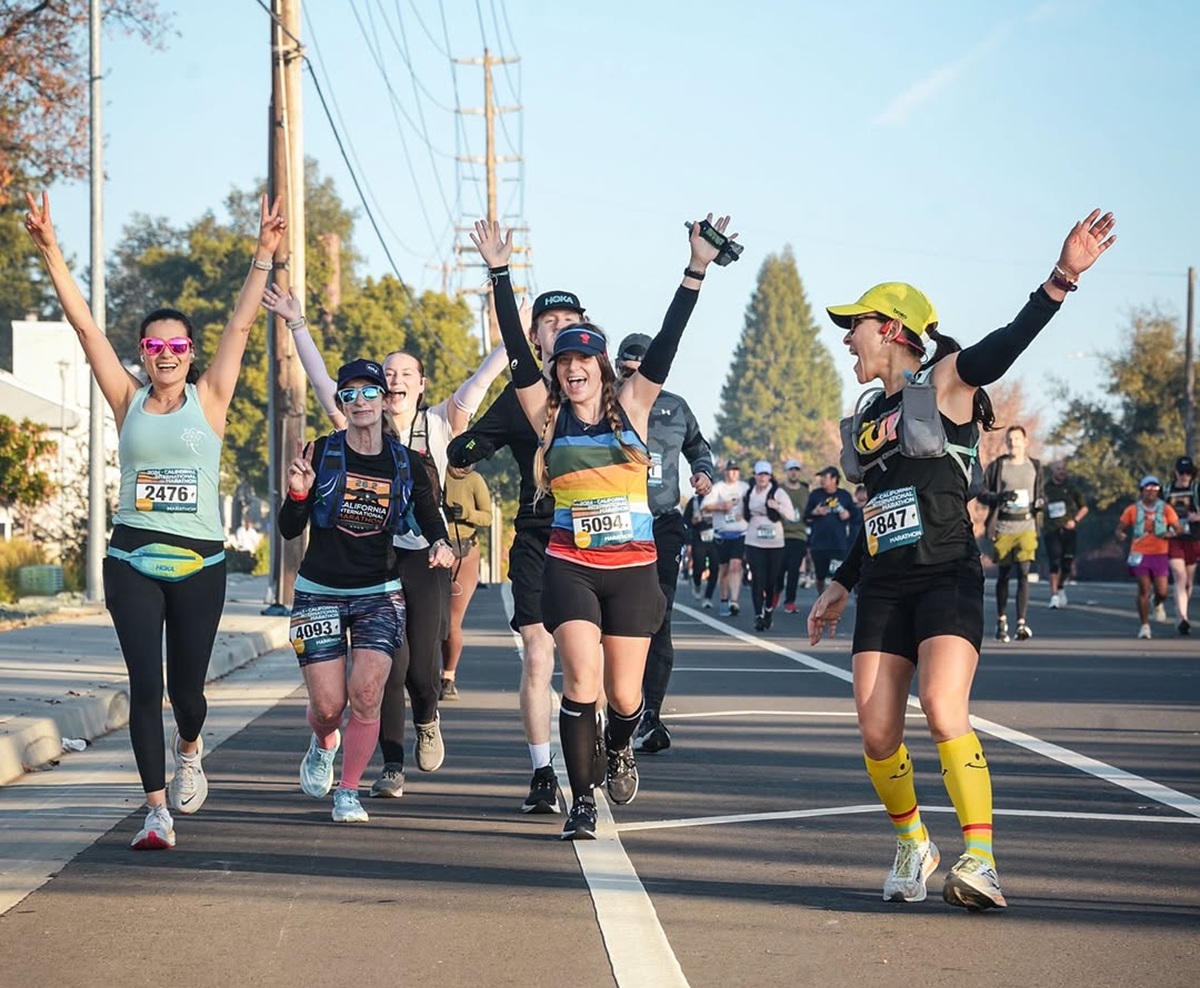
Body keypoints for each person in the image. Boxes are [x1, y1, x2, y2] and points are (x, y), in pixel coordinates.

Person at [808, 208, 1117, 911]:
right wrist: (839, 584)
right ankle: (915, 842)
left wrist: (1062, 277)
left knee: (944, 707)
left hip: (946, 571)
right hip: (884, 583)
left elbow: (1006, 345)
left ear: (890, 328)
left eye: (853, 324)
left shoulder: (947, 380)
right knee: (876, 727)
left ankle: (980, 859)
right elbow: (881, 512)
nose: (845, 338)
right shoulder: (866, 419)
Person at [24, 190, 286, 849]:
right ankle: (156, 810)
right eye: (154, 344)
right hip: (132, 560)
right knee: (144, 685)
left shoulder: (213, 396)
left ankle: (190, 745)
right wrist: (52, 250)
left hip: (200, 564)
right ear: (142, 353)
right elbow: (87, 331)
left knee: (185, 693)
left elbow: (241, 330)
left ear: (190, 351)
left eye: (177, 344)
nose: (165, 352)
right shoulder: (126, 398)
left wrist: (262, 256)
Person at [470, 211, 732, 839]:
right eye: (564, 361)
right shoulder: (546, 417)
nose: (573, 366)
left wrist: (696, 268)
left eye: (585, 356)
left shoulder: (635, 407)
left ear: (603, 365)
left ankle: (619, 746)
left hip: (633, 570)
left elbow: (670, 336)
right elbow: (515, 347)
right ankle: (582, 799)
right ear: (556, 371)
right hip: (572, 565)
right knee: (579, 680)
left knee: (625, 698)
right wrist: (500, 274)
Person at [261, 285, 508, 799]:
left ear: (417, 385)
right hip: (366, 562)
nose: (386, 385)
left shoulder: (440, 421)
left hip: (420, 555)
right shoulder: (343, 429)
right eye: (380, 377)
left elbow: (485, 379)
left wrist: (514, 326)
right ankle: (387, 763)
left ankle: (427, 719)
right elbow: (323, 379)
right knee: (378, 676)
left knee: (421, 668)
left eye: (398, 377)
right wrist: (296, 322)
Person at [278, 359, 454, 824]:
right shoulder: (320, 452)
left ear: (384, 401)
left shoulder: (407, 463)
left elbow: (428, 512)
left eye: (369, 392)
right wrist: (298, 495)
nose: (359, 402)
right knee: (328, 706)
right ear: (340, 403)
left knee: (368, 693)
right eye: (349, 394)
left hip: (379, 590)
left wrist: (440, 543)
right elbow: (288, 528)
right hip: (320, 591)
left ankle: (349, 790)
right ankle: (322, 742)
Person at [447, 289, 593, 816]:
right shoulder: (520, 397)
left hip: (596, 541)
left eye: (568, 320)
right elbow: (470, 445)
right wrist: (464, 453)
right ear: (534, 337)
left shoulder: (606, 391)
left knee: (590, 667)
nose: (557, 329)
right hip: (537, 538)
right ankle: (542, 771)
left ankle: (604, 748)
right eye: (547, 322)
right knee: (539, 654)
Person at [613, 332, 714, 754]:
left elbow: (698, 446)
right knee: (613, 624)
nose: (632, 380)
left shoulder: (675, 406)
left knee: (659, 617)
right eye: (624, 372)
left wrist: (704, 471)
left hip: (662, 524)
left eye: (641, 372)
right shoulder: (601, 405)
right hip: (614, 524)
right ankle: (616, 708)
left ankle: (650, 715)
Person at [980, 426, 1044, 641]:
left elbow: (1041, 494)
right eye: (1009, 439)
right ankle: (1001, 619)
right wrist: (1000, 497)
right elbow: (981, 492)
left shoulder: (1035, 466)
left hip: (1027, 527)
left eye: (1017, 439)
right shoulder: (998, 466)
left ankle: (1021, 623)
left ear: (1026, 441)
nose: (1013, 443)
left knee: (1024, 573)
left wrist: (1041, 504)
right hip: (1004, 527)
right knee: (1005, 575)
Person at [440, 462, 493, 698]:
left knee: (452, 621)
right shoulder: (438, 474)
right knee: (428, 620)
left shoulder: (474, 481)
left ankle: (448, 676)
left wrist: (467, 514)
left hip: (464, 552)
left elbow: (487, 517)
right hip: (436, 549)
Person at [1116, 475, 1180, 640]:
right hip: (1140, 553)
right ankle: (1145, 626)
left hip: (1160, 553)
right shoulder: (1133, 509)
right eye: (1147, 489)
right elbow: (1120, 528)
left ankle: (1158, 602)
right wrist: (1121, 534)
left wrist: (1170, 533)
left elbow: (1178, 528)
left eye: (1155, 489)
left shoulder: (1165, 509)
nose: (1151, 492)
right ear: (1141, 490)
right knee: (1143, 589)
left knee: (1163, 591)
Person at [743, 461, 797, 632]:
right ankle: (758, 615)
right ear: (755, 475)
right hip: (753, 539)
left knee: (771, 580)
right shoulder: (749, 492)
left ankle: (768, 610)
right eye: (759, 474)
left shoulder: (777, 492)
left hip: (775, 542)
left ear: (770, 476)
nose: (762, 478)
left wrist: (777, 506)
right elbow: (740, 512)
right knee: (757, 579)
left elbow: (792, 516)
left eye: (765, 474)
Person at [703, 459, 750, 616]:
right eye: (730, 470)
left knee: (735, 565)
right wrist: (721, 507)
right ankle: (724, 599)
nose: (733, 473)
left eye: (736, 470)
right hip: (722, 534)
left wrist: (746, 514)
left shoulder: (745, 488)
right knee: (723, 570)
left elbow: (754, 503)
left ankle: (734, 601)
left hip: (740, 533)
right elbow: (705, 507)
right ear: (725, 472)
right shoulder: (718, 488)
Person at [1042, 460, 1089, 609]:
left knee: (1067, 564)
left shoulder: (1071, 487)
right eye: (1058, 469)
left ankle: (1061, 586)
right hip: (1051, 530)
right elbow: (1037, 504)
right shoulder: (1045, 488)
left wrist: (1075, 520)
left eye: (1063, 469)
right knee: (1054, 561)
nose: (1061, 471)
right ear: (1052, 471)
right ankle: (1054, 595)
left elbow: (1084, 508)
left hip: (1068, 530)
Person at [1163, 455, 1199, 635]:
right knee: (1180, 576)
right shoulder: (1167, 490)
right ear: (1176, 472)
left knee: (1189, 581)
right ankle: (1183, 618)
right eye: (1182, 473)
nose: (1185, 476)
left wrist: (1198, 517)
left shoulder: (1197, 489)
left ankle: (1179, 613)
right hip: (1174, 538)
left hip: (1193, 538)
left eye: (1188, 473)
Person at [804, 467, 855, 592]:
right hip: (819, 543)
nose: (821, 480)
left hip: (838, 543)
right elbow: (806, 516)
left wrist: (848, 514)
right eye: (821, 477)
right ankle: (821, 598)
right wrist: (815, 512)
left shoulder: (844, 495)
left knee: (836, 577)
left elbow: (855, 512)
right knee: (820, 576)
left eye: (824, 477)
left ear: (834, 479)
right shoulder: (816, 494)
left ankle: (833, 603)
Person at [777, 458, 811, 612]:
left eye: (796, 469)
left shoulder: (805, 491)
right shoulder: (779, 490)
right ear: (787, 472)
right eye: (791, 469)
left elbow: (809, 512)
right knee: (778, 570)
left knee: (794, 570)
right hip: (780, 536)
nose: (794, 472)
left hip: (799, 535)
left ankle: (790, 601)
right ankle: (775, 593)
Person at [684, 491, 718, 608]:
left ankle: (708, 597)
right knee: (699, 566)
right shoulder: (694, 501)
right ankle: (697, 583)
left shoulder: (718, 500)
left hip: (715, 539)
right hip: (698, 538)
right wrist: (692, 522)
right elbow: (685, 521)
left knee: (714, 568)